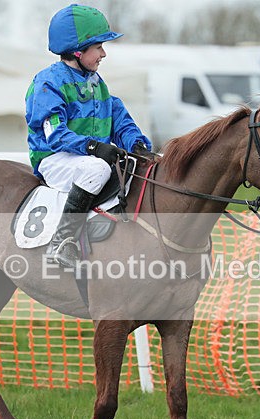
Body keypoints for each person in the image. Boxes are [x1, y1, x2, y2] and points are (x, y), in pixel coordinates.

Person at [25, 4, 152, 268]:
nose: (104, 54)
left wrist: (138, 146)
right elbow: (55, 135)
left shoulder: (96, 83)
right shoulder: (48, 82)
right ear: (78, 50)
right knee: (96, 168)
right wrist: (94, 147)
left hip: (87, 158)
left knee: (136, 165)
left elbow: (120, 119)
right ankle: (63, 241)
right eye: (99, 47)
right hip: (54, 158)